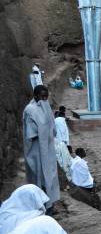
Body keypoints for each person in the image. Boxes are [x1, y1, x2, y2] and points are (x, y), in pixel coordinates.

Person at [23, 85, 60, 213]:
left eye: (46, 97)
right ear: (35, 96)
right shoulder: (30, 110)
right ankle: (42, 208)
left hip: (48, 150)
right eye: (42, 97)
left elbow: (53, 129)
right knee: (39, 178)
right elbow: (31, 133)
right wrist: (43, 127)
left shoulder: (46, 108)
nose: (44, 100)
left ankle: (50, 205)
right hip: (37, 151)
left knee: (51, 177)